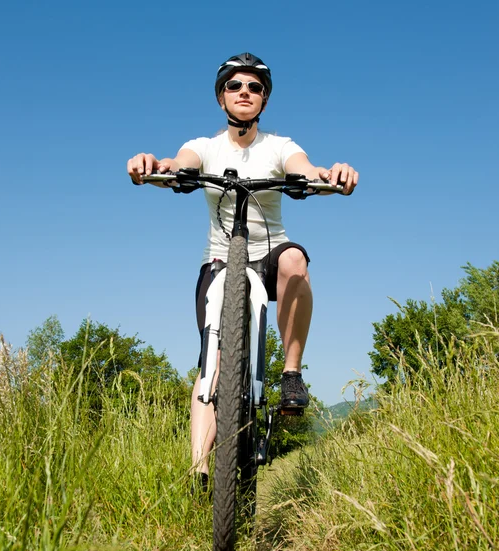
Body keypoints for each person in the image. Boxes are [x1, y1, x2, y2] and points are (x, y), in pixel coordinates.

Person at [127, 53, 358, 488]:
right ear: (221, 98)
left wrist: (330, 174)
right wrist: (153, 165)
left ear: (264, 102)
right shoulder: (206, 145)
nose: (244, 93)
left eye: (254, 87)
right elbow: (182, 165)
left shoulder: (279, 145)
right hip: (219, 261)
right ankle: (197, 470)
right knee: (209, 363)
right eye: (235, 86)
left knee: (294, 258)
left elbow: (305, 170)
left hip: (268, 258)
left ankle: (291, 373)